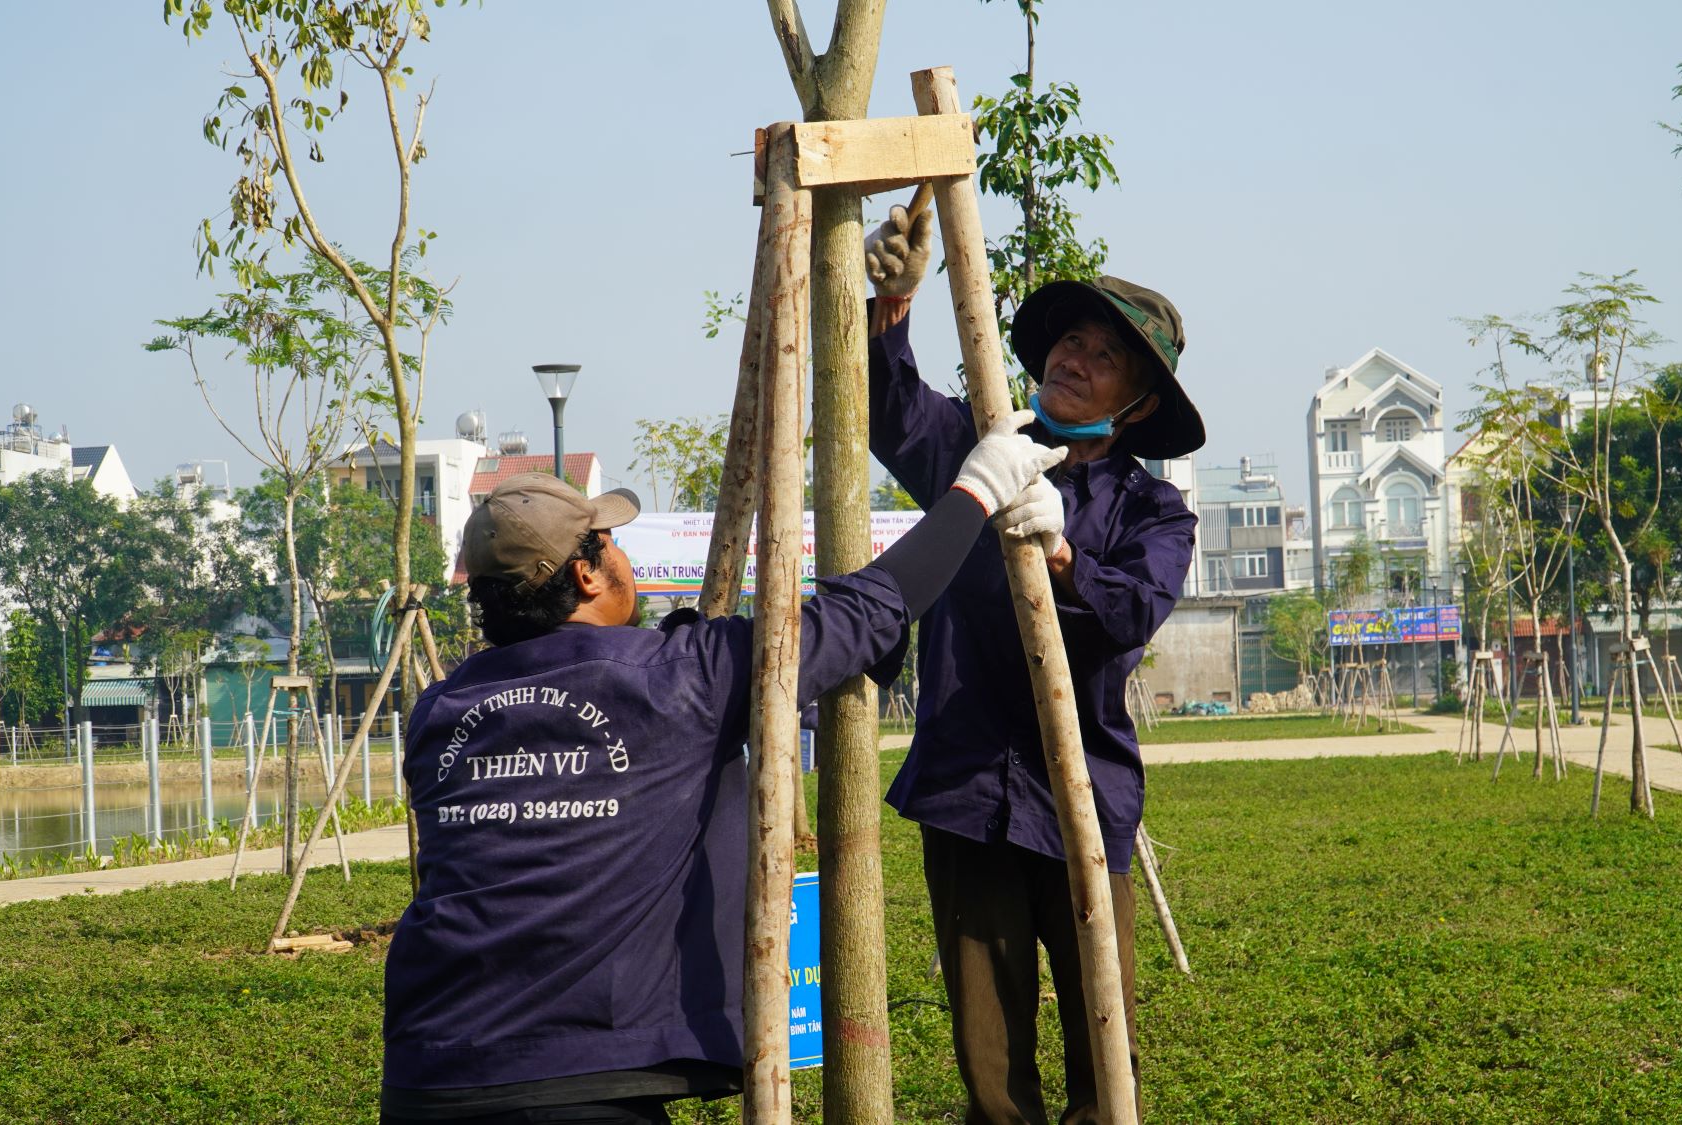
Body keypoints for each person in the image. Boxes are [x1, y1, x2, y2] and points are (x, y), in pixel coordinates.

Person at [380, 415, 1066, 1125]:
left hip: (425, 1069)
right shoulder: (677, 677)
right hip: (579, 1077)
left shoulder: (439, 709)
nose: (625, 559)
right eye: (610, 542)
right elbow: (871, 609)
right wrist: (977, 490)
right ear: (586, 572)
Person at [864, 202, 1204, 1124]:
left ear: (1137, 404)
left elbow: (1130, 612)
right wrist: (891, 305)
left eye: (1103, 356)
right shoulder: (981, 447)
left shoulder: (1153, 511)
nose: (1074, 358)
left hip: (1084, 794)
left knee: (1106, 1049)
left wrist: (1060, 553)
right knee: (991, 1061)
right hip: (967, 786)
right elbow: (890, 413)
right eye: (1071, 341)